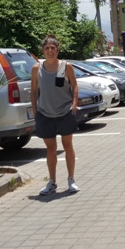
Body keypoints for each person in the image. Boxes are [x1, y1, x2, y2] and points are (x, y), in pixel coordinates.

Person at [31, 35, 80, 195]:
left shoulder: (66, 66)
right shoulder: (36, 68)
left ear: (57, 50)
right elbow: (33, 91)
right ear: (43, 51)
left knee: (67, 146)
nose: (50, 51)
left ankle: (71, 179)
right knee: (51, 149)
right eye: (47, 48)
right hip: (45, 113)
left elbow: (75, 86)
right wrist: (35, 110)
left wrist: (74, 105)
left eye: (53, 48)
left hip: (65, 112)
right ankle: (52, 182)